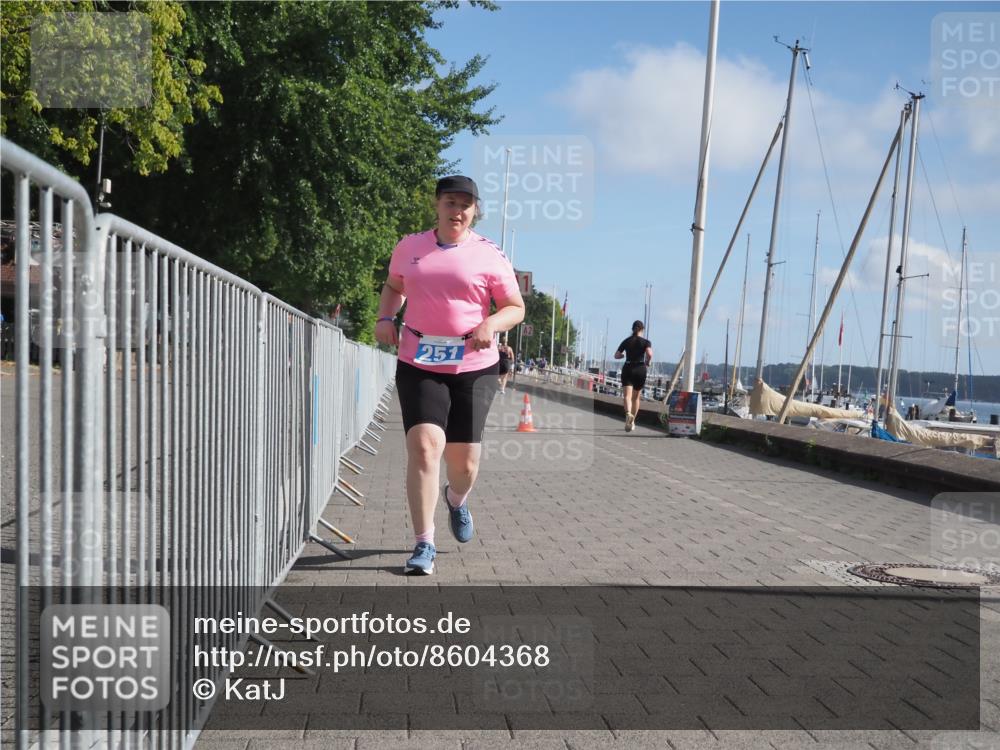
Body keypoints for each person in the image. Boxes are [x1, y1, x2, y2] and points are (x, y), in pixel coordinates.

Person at [374, 175, 525, 575]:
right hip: (419, 359)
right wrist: (386, 316)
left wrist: (491, 324)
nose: (456, 211)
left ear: (475, 210)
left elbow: (515, 306)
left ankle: (456, 499)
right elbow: (393, 286)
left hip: (473, 366)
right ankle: (424, 544)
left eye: (464, 204)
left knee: (465, 465)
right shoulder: (410, 247)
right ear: (437, 206)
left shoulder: (490, 254)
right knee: (424, 447)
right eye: (450, 202)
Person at [613, 320, 653, 432]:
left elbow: (616, 355)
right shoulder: (646, 342)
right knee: (636, 398)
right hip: (640, 369)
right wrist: (648, 361)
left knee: (627, 396)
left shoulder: (626, 341)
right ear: (642, 330)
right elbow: (649, 353)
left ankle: (628, 414)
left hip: (628, 368)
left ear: (632, 329)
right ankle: (633, 421)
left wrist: (622, 356)